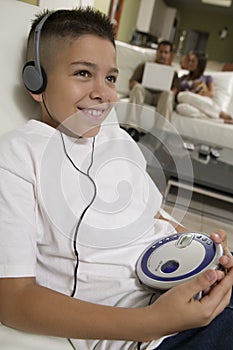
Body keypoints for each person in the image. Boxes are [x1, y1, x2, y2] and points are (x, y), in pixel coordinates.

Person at [0, 7, 233, 350]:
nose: (104, 93)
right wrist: (153, 323)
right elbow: (13, 300)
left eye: (110, 78)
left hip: (189, 291)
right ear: (37, 82)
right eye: (83, 73)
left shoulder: (118, 139)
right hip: (155, 333)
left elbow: (154, 216)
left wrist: (205, 249)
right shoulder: (18, 156)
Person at [124, 40, 180, 141]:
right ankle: (132, 128)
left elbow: (175, 91)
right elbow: (132, 83)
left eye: (166, 52)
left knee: (169, 94)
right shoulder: (144, 66)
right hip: (146, 94)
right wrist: (138, 84)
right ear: (157, 52)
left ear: (169, 55)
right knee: (138, 88)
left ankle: (159, 133)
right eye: (161, 52)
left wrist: (171, 90)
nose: (163, 55)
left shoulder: (173, 72)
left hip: (161, 98)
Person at [176, 51, 233, 124]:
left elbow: (211, 93)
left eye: (193, 61)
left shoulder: (207, 78)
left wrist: (196, 93)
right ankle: (220, 120)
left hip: (203, 101)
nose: (190, 63)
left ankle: (220, 114)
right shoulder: (183, 77)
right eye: (189, 61)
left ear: (199, 64)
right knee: (180, 107)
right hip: (188, 104)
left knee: (183, 95)